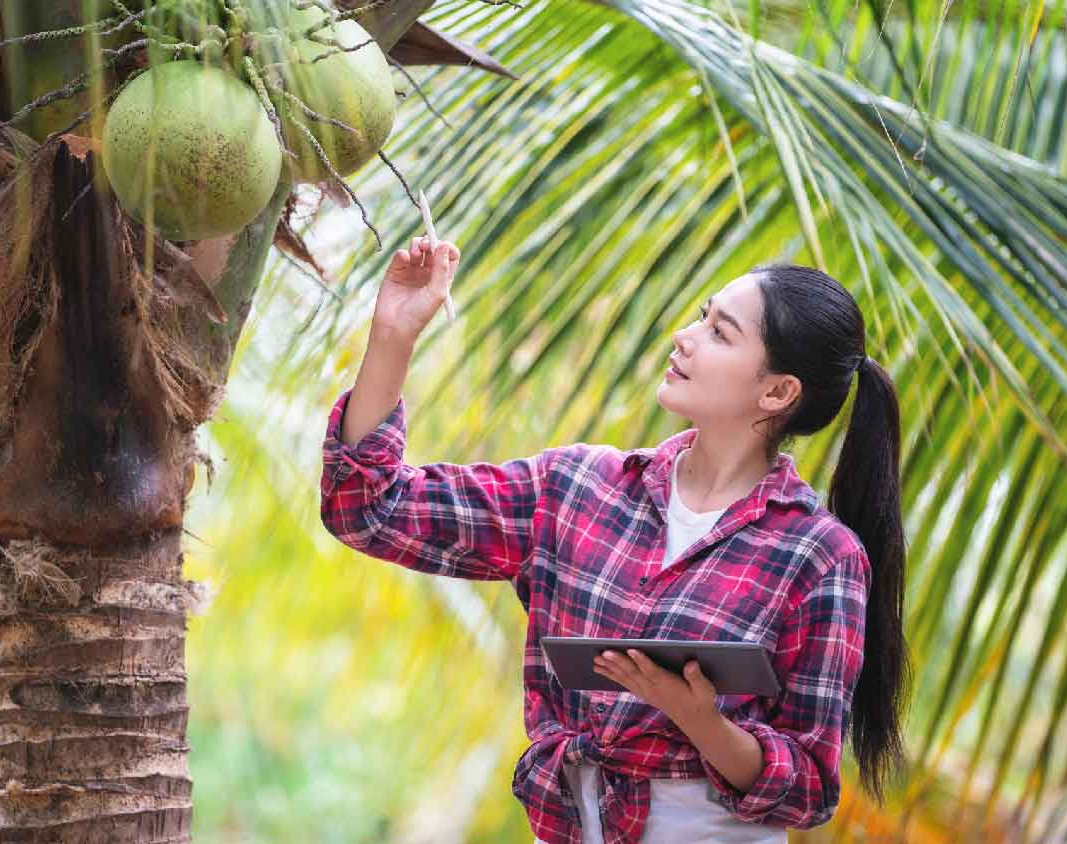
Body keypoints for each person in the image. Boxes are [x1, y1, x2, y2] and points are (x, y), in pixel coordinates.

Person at [318, 236, 911, 844]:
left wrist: (699, 720)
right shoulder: (579, 487)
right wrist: (395, 333)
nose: (685, 335)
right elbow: (368, 509)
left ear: (778, 392)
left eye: (720, 333)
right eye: (702, 316)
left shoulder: (819, 555)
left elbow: (808, 789)